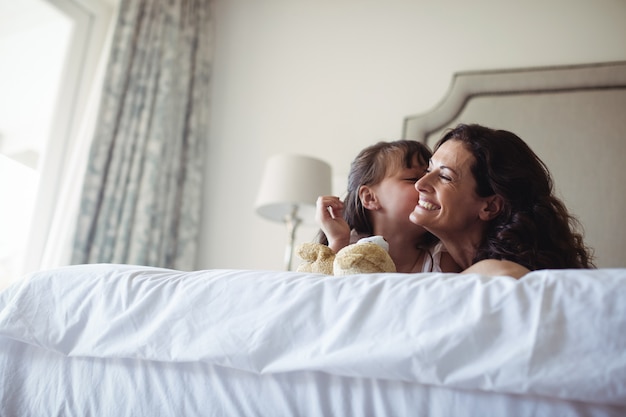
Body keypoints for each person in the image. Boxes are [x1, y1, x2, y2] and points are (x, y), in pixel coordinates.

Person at [409, 123, 595, 279]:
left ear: (490, 206)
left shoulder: (504, 275)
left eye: (445, 177)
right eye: (428, 170)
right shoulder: (434, 263)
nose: (420, 183)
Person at [316, 140, 460, 273]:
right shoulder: (350, 250)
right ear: (370, 197)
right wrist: (338, 240)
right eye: (413, 179)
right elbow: (321, 292)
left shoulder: (441, 258)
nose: (427, 184)